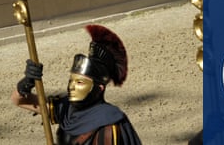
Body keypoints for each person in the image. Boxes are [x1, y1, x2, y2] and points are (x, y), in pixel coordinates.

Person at [12, 24, 142, 144]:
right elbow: (19, 101)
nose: (72, 87)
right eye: (71, 81)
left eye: (80, 82)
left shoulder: (108, 125)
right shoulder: (67, 108)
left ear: (99, 88)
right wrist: (26, 83)